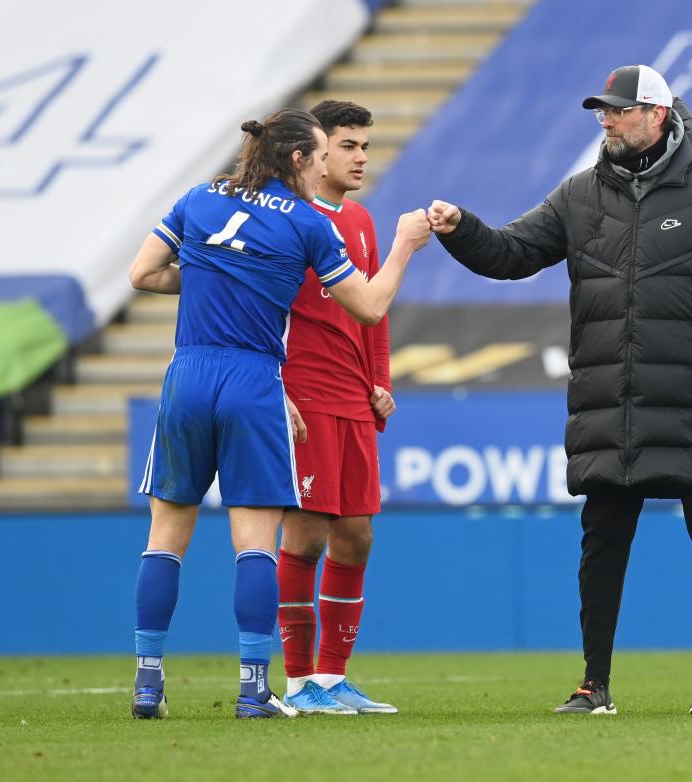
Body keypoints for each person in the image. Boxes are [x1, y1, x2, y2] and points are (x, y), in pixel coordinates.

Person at [427, 65, 692, 715]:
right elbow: (510, 254)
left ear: (656, 115)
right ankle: (594, 684)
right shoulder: (578, 195)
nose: (607, 121)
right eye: (603, 112)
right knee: (601, 547)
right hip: (610, 408)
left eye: (619, 110)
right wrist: (461, 228)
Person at [128, 108, 430, 719]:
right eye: (321, 157)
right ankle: (253, 690)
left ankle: (147, 684)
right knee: (256, 545)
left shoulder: (199, 197)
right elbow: (370, 307)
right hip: (255, 381)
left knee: (164, 540)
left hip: (187, 375)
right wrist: (405, 247)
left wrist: (212, 272)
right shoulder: (307, 222)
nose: (325, 169)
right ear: (298, 158)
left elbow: (143, 274)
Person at [276, 100, 397, 715]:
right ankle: (298, 683)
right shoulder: (285, 219)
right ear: (316, 153)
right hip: (304, 394)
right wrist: (275, 386)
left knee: (356, 535)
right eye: (347, 146)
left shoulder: (361, 221)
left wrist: (380, 380)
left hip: (354, 397)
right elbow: (265, 310)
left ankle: (332, 677)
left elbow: (374, 310)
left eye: (364, 147)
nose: (359, 157)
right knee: (305, 534)